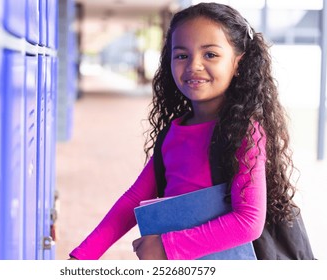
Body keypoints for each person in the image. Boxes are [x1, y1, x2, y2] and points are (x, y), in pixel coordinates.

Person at [69, 2, 298, 260]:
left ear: (238, 63)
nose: (194, 65)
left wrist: (167, 247)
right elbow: (134, 198)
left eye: (210, 54)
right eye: (181, 55)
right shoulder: (174, 132)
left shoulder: (245, 132)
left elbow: (248, 221)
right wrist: (84, 255)